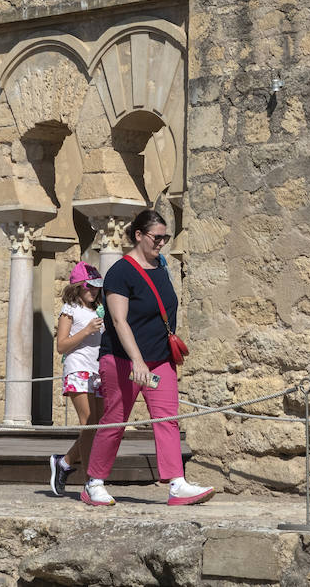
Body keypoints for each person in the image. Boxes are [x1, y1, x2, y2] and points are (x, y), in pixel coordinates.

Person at [80, 209, 214, 507]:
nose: (162, 243)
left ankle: (176, 484)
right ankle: (94, 482)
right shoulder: (120, 272)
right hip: (123, 360)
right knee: (115, 419)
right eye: (157, 237)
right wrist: (137, 361)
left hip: (160, 358)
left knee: (167, 419)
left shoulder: (161, 264)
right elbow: (119, 321)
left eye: (165, 237)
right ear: (139, 235)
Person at [49, 260, 106, 496]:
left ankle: (64, 462)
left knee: (98, 427)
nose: (93, 291)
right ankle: (89, 480)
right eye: (88, 287)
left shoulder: (98, 311)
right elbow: (61, 346)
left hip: (97, 372)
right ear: (78, 287)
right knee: (88, 423)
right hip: (77, 369)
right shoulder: (69, 310)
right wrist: (85, 332)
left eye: (96, 287)